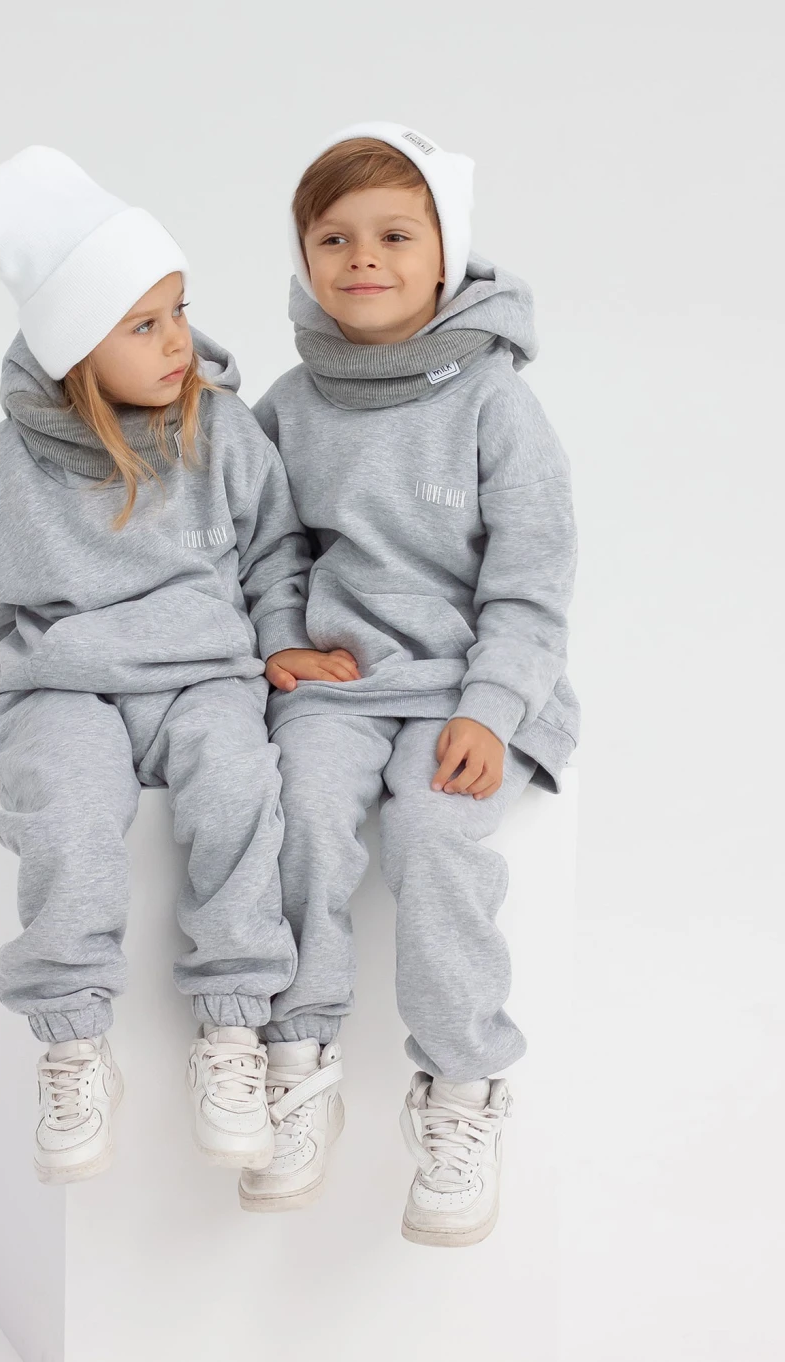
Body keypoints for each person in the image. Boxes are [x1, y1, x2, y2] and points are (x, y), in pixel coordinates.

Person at [0, 145, 351, 1186]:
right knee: (67, 811)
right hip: (67, 684)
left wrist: (278, 642)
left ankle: (233, 1028)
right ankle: (73, 1044)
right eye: (142, 325)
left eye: (179, 310)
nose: (178, 340)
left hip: (203, 674)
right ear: (76, 347)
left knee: (239, 784)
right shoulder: (19, 458)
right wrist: (45, 663)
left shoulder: (220, 429)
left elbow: (274, 554)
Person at [246, 122, 580, 1245]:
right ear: (305, 258)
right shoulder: (290, 404)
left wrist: (493, 708)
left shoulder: (495, 400)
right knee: (296, 813)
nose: (363, 259)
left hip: (466, 687)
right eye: (333, 238)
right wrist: (282, 639)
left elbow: (533, 579)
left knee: (433, 838)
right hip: (340, 687)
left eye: (395, 235)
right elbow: (267, 549)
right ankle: (297, 1060)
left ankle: (463, 1089)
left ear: (447, 254)